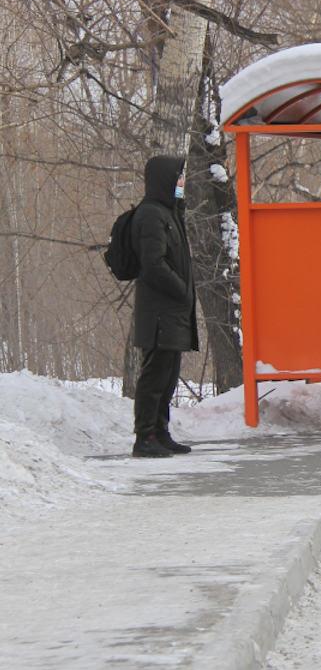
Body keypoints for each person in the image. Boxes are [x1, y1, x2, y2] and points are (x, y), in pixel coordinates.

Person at [130, 155, 199, 457]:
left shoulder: (168, 213)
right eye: (178, 178)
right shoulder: (150, 215)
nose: (182, 182)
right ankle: (144, 436)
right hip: (159, 311)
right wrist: (181, 289)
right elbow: (153, 263)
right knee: (154, 376)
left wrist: (180, 202)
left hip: (171, 311)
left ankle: (160, 431)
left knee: (168, 375)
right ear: (164, 180)